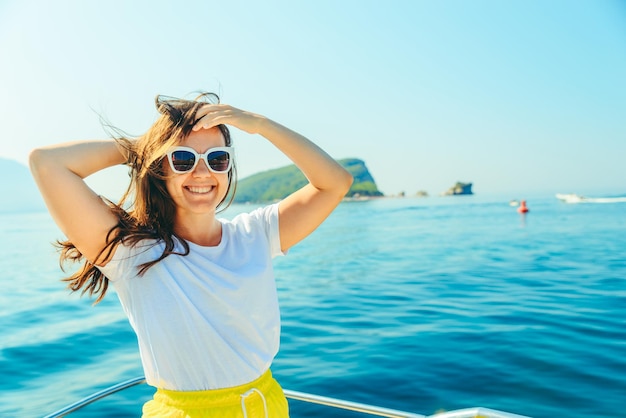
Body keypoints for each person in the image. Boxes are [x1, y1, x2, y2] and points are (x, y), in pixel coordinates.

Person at [29, 92, 353, 417]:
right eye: (183, 159)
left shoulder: (256, 233)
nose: (202, 172)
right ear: (159, 167)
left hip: (264, 405)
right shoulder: (131, 252)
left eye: (217, 159)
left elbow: (335, 182)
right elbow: (47, 163)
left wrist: (260, 125)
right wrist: (146, 145)